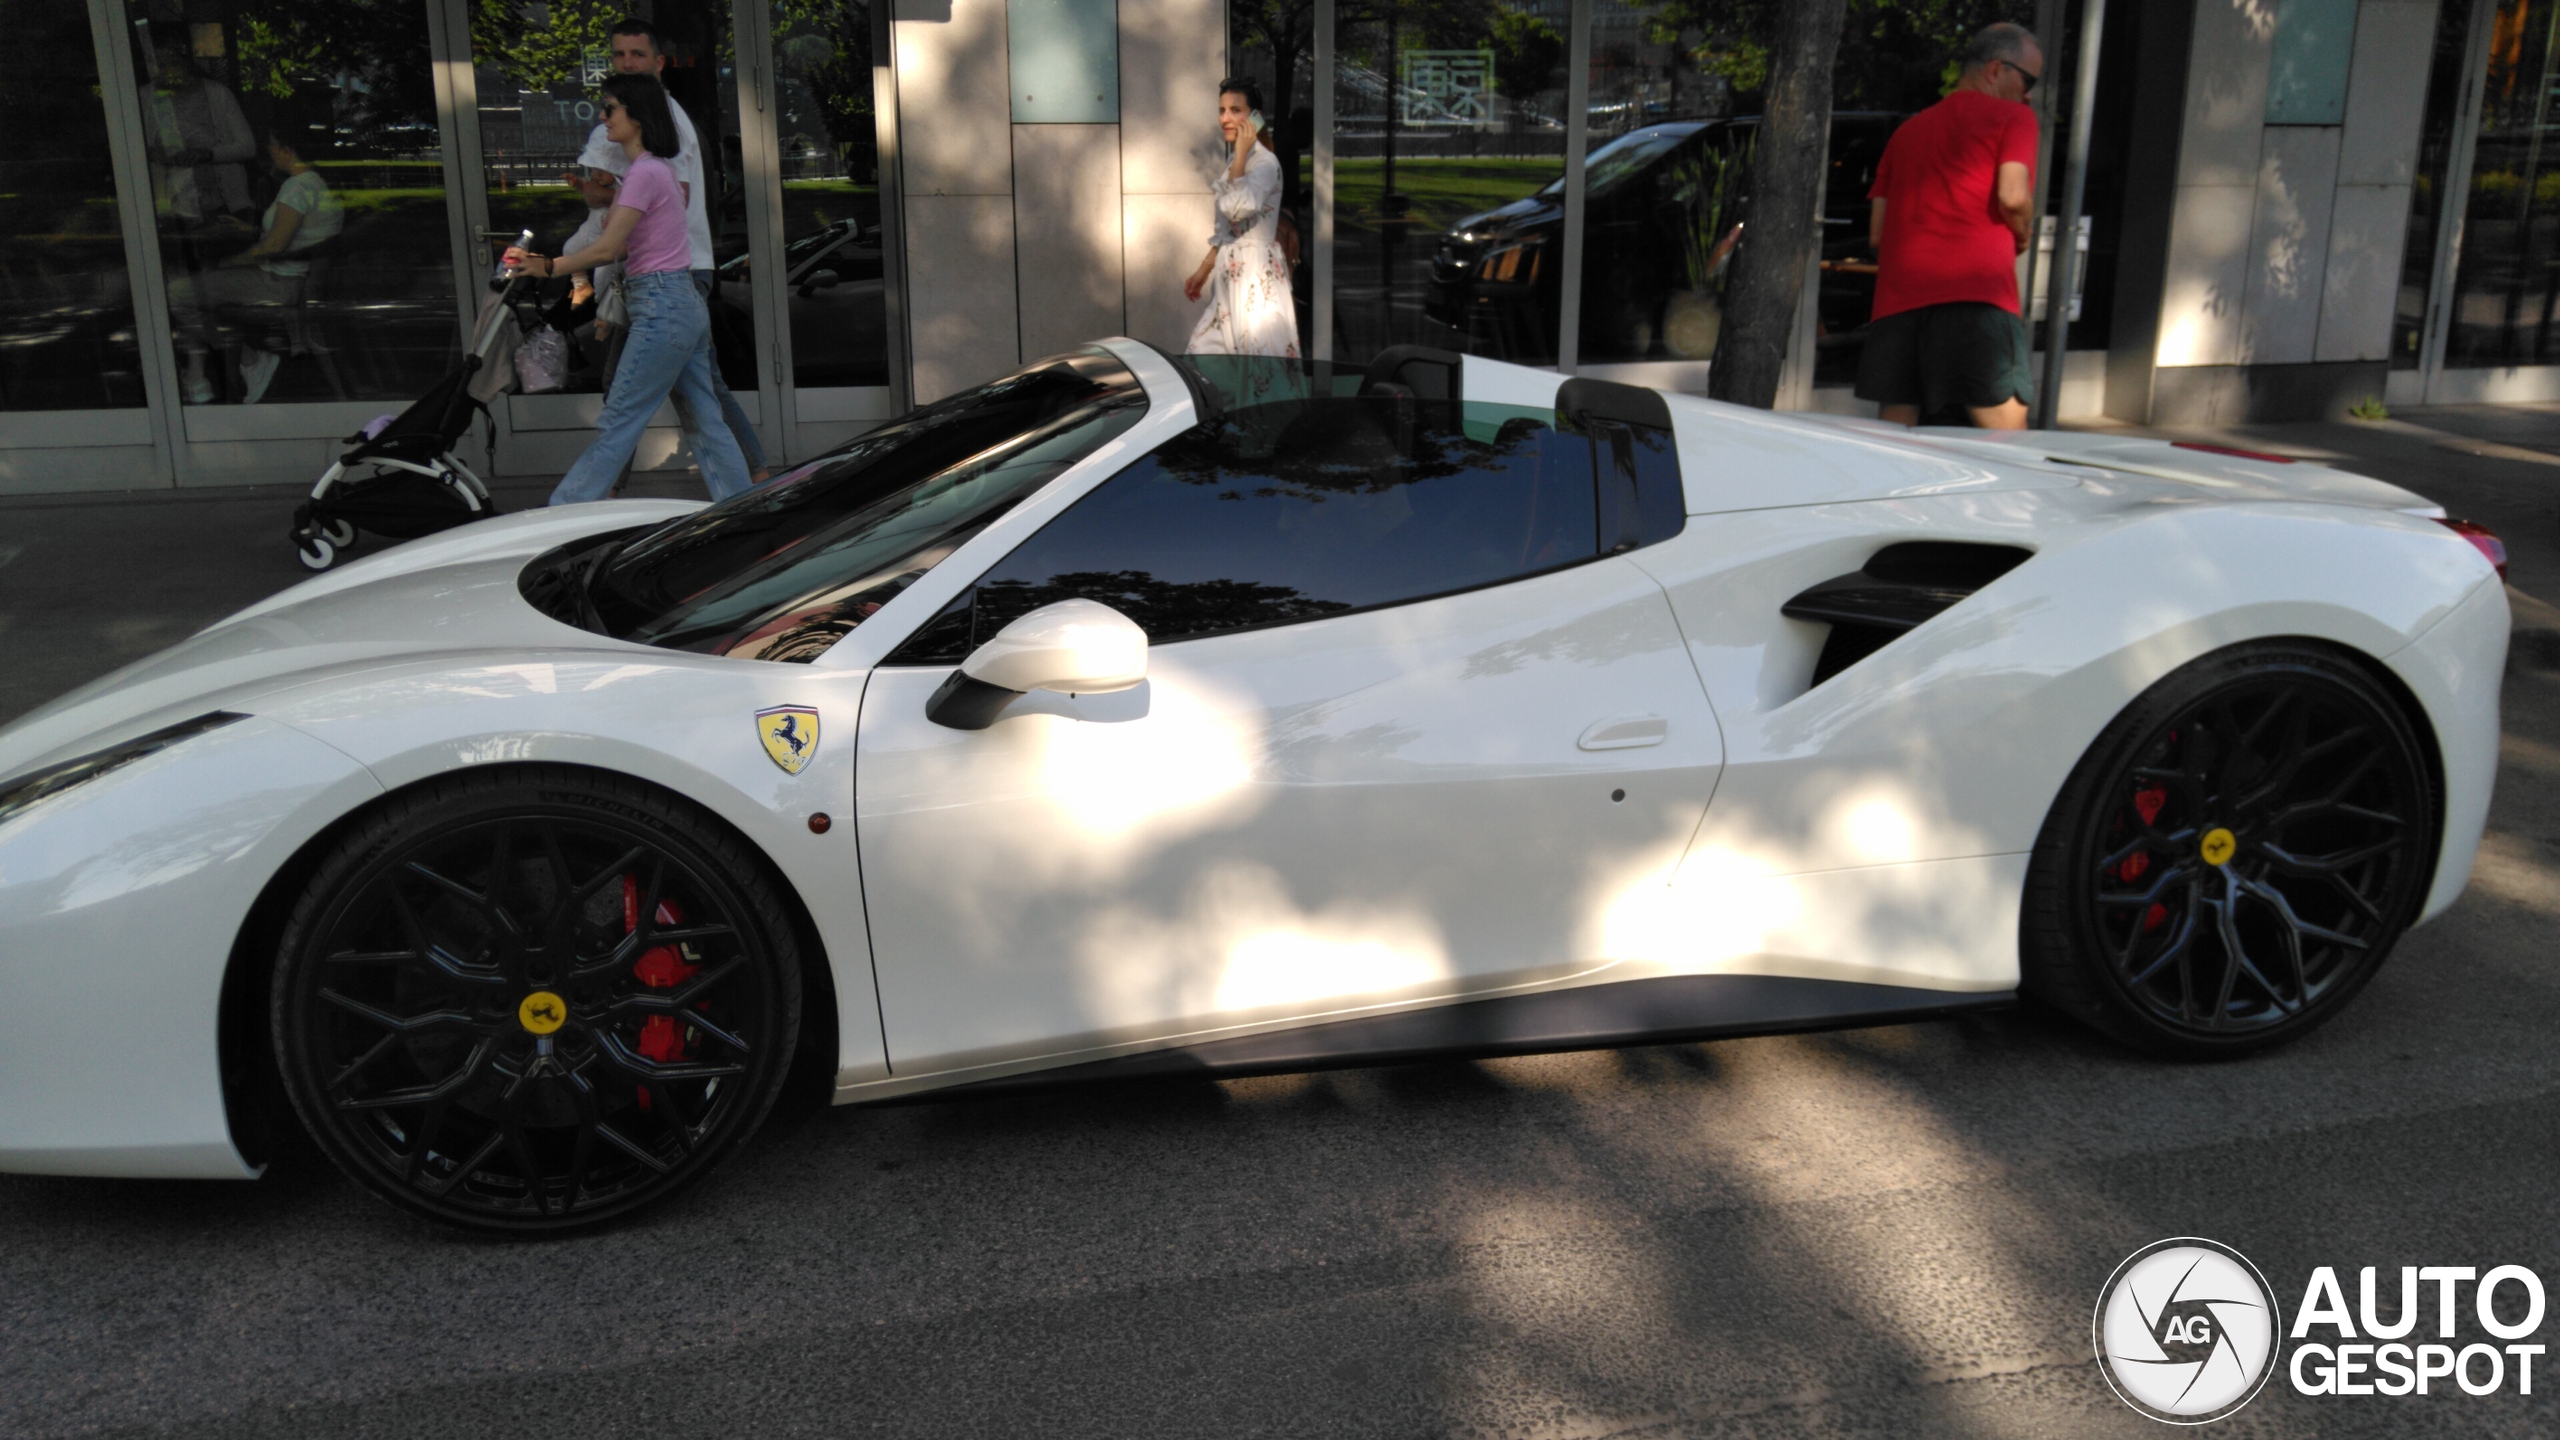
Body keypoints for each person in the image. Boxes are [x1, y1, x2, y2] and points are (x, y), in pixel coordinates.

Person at [508, 73, 752, 505]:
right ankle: (743, 510)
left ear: (637, 116)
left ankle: (559, 518)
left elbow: (606, 250)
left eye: (610, 108)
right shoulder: (656, 173)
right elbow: (620, 244)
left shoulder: (644, 174)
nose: (602, 117)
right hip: (680, 305)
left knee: (620, 419)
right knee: (705, 421)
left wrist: (545, 267)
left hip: (661, 308)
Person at [584, 17, 768, 480]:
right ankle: (755, 481)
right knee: (702, 392)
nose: (628, 63)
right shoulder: (650, 117)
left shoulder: (661, 123)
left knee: (624, 393)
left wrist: (608, 198)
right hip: (674, 272)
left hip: (669, 275)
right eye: (620, 55)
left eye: (638, 55)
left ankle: (595, 494)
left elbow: (667, 194)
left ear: (659, 62)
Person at [1855, 22, 2042, 429]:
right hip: (1978, 300)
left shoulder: (1905, 134)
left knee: (1895, 446)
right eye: (2028, 81)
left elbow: (1876, 236)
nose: (2029, 95)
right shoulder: (2016, 119)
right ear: (1996, 70)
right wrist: (2024, 233)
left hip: (1899, 305)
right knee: (2007, 449)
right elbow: (2013, 196)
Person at [163, 131, 345, 405]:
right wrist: (248, 230)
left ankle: (249, 360)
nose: (269, 151)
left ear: (286, 150)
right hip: (296, 281)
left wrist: (226, 263)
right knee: (199, 285)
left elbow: (273, 247)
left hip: (280, 286)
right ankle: (204, 374)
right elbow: (294, 233)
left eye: (272, 146)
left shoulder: (297, 187)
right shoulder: (317, 184)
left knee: (177, 292)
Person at [1183, 78, 1299, 372]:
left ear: (1255, 116)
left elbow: (1238, 209)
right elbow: (1227, 229)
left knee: (1257, 368)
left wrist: (1242, 157)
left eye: (1236, 110)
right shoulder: (1238, 160)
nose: (1225, 118)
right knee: (1200, 359)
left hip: (1253, 277)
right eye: (1222, 110)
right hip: (1229, 276)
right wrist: (1204, 268)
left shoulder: (1264, 163)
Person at [143, 43, 255, 229]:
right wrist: (153, 154)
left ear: (186, 63)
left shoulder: (217, 94)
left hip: (221, 204)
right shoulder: (145, 97)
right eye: (160, 65)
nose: (167, 70)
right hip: (171, 207)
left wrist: (206, 154)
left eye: (173, 62)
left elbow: (248, 147)